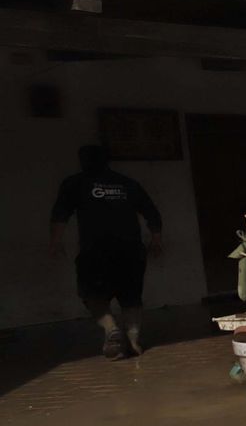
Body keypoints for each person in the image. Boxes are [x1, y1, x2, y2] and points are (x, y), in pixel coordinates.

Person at [48, 144, 164, 358]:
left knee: (92, 295)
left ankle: (112, 329)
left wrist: (55, 242)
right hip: (131, 251)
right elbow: (152, 213)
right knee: (131, 297)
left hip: (95, 251)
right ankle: (133, 340)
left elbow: (60, 214)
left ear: (82, 161)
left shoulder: (75, 183)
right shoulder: (127, 184)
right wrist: (156, 240)